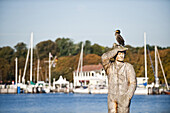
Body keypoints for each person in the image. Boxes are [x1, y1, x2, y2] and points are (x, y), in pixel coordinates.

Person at [101, 45, 137, 113]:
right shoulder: (109, 67)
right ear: (115, 54)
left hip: (124, 98)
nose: (121, 56)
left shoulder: (128, 67)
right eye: (119, 53)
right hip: (112, 98)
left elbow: (133, 83)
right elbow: (104, 58)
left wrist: (128, 96)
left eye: (123, 53)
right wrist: (116, 49)